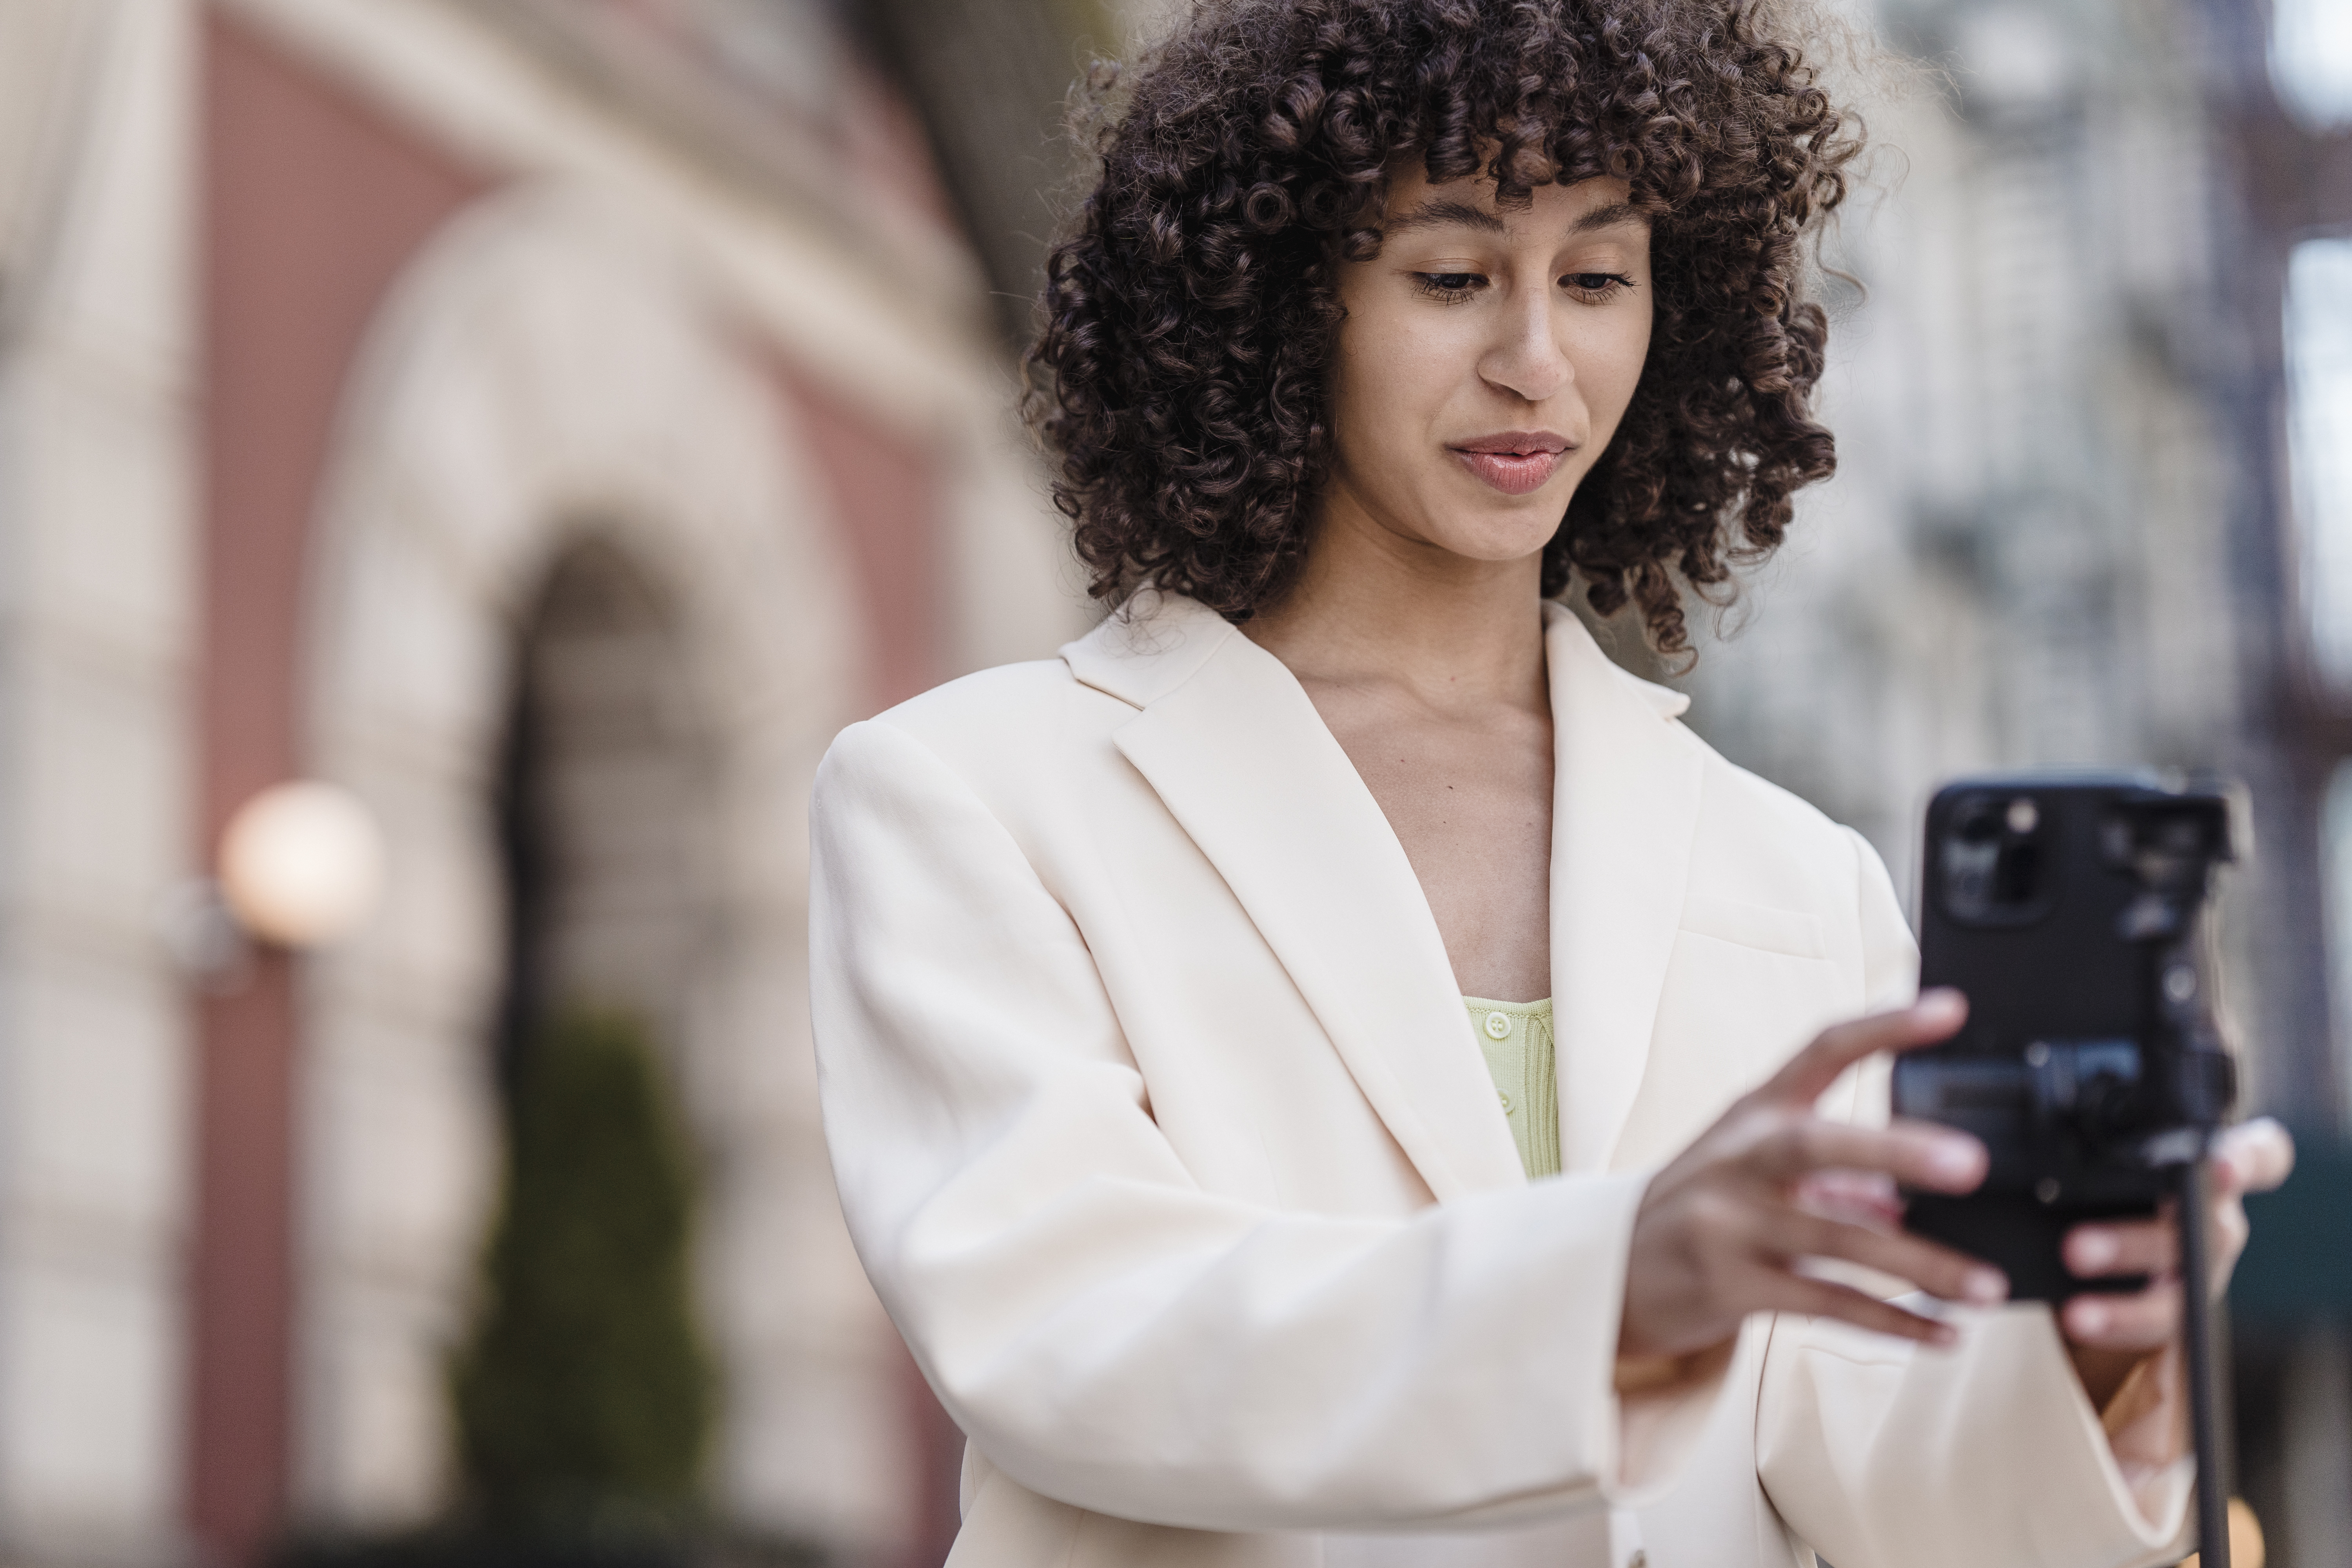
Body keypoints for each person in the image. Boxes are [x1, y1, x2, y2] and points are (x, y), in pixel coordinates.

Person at [808, 2, 2294, 1564]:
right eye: (1453, 277)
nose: (1537, 362)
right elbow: (1079, 1341)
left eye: (1597, 278)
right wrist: (1615, 1290)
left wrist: (2094, 1340)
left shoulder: (1793, 879)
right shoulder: (968, 795)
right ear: (1283, 298)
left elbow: (1888, 1487)